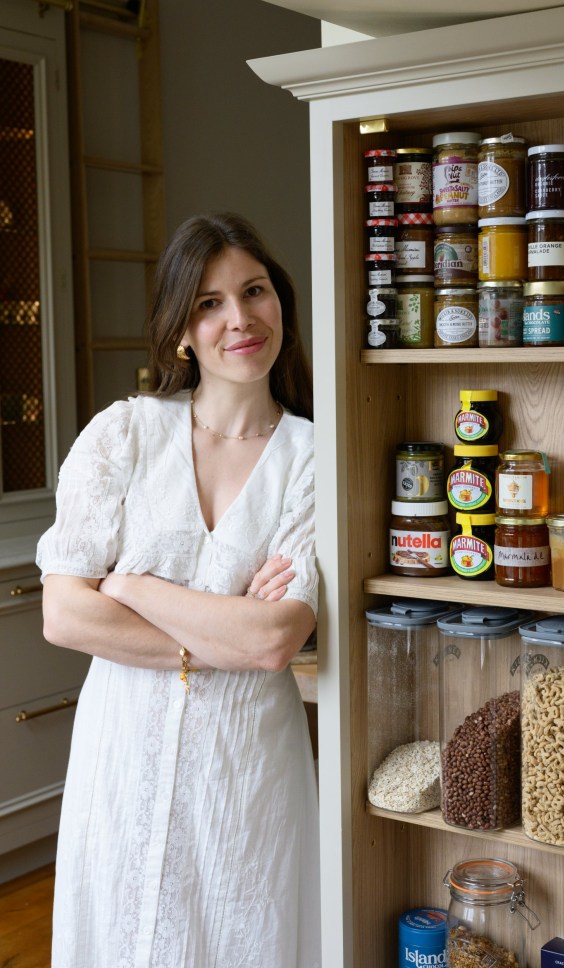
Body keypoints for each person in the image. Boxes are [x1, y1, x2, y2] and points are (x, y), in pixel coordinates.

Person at [36, 212, 321, 967]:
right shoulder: (121, 437)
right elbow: (64, 612)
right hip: (120, 755)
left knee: (243, 933)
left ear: (281, 304)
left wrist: (130, 584)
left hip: (247, 770)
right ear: (181, 333)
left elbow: (271, 639)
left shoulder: (313, 457)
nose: (240, 318)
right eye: (209, 302)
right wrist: (219, 628)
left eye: (254, 291)